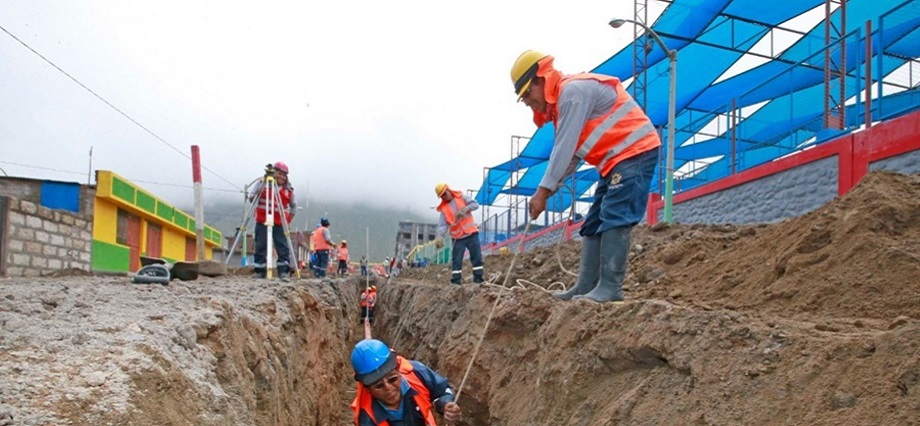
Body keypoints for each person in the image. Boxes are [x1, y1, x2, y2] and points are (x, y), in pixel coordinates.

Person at [510, 50, 660, 302]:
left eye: (527, 93)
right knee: (593, 223)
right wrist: (552, 186)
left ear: (541, 79)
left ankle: (610, 288)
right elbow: (571, 156)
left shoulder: (572, 93)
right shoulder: (563, 105)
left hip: (634, 152)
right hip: (614, 162)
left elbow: (564, 148)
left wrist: (543, 191)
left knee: (615, 215)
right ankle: (586, 285)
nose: (527, 101)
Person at [350, 339, 460, 425]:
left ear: (398, 370)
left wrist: (445, 404)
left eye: (392, 379)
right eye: (379, 385)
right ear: (368, 389)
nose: (388, 388)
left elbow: (443, 390)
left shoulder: (418, 374)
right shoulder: (366, 419)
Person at [249, 162, 296, 280]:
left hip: (280, 223)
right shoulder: (261, 183)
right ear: (274, 172)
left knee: (282, 247)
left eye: (284, 175)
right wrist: (261, 189)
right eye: (279, 174)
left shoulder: (288, 190)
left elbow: (293, 207)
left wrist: (288, 220)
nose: (281, 177)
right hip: (262, 221)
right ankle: (260, 271)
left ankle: (283, 272)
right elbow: (251, 198)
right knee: (260, 245)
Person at [434, 183, 484, 285]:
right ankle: (456, 281)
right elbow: (443, 226)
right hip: (458, 237)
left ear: (448, 190)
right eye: (442, 196)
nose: (444, 196)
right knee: (456, 260)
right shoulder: (444, 209)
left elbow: (475, 204)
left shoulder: (461, 197)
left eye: (445, 193)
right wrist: (440, 237)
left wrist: (465, 209)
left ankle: (478, 279)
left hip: (471, 233)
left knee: (477, 257)